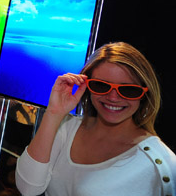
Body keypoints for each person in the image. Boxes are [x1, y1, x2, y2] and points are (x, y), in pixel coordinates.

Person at [15, 42, 176, 195]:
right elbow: (28, 188)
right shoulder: (66, 128)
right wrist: (54, 113)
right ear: (86, 85)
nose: (113, 97)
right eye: (101, 86)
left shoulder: (160, 162)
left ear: (144, 94)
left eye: (128, 90)